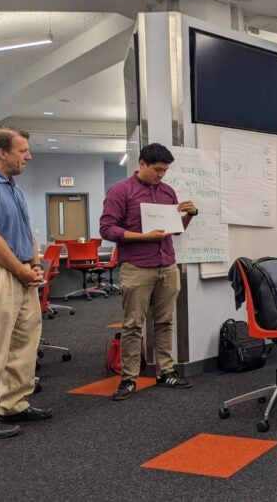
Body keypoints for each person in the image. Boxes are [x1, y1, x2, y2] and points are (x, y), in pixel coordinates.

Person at [100, 143, 198, 401]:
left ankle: (165, 371)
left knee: (165, 322)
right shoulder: (120, 191)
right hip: (136, 266)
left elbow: (176, 230)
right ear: (142, 163)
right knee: (133, 325)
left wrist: (190, 215)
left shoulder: (167, 192)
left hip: (167, 264)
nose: (161, 175)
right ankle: (129, 378)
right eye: (157, 169)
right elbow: (107, 229)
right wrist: (142, 236)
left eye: (165, 170)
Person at [0, 126, 52, 440]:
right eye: (23, 151)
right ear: (2, 152)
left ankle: (12, 402)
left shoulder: (13, 187)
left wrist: (34, 264)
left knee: (25, 341)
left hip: (22, 273)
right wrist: (20, 271)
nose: (29, 157)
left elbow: (27, 229)